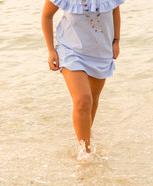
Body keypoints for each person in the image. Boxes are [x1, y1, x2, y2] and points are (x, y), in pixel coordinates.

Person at [41, 0, 124, 161]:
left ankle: (84, 139)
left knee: (93, 100)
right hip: (70, 50)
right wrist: (51, 50)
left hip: (101, 51)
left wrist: (117, 40)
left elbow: (115, 10)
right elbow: (46, 16)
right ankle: (85, 153)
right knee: (83, 100)